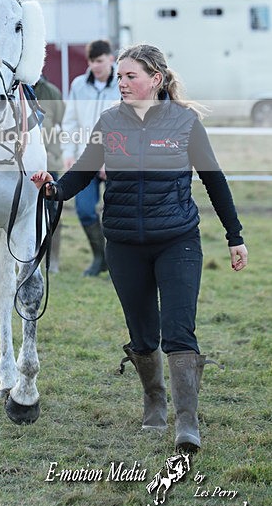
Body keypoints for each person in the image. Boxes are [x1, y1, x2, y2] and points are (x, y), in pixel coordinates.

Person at [32, 43, 248, 453]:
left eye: (131, 76)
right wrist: (54, 189)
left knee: (180, 330)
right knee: (143, 333)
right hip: (124, 243)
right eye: (120, 77)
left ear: (156, 79)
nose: (123, 84)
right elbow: (82, 170)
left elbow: (215, 180)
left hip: (178, 240)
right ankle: (154, 400)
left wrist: (234, 236)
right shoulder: (110, 121)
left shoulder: (185, 122)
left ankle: (187, 420)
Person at [61, 39, 119, 276]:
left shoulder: (123, 84)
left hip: (117, 159)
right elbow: (71, 121)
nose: (95, 66)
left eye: (100, 61)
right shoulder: (79, 86)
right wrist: (68, 153)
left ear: (111, 59)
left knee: (115, 214)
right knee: (84, 209)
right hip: (86, 158)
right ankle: (100, 257)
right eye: (92, 61)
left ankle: (118, 261)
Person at [34, 72, 65, 272]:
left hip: (49, 161)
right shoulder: (13, 90)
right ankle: (32, 254)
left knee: (52, 211)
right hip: (20, 164)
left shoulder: (51, 92)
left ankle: (53, 257)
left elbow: (64, 121)